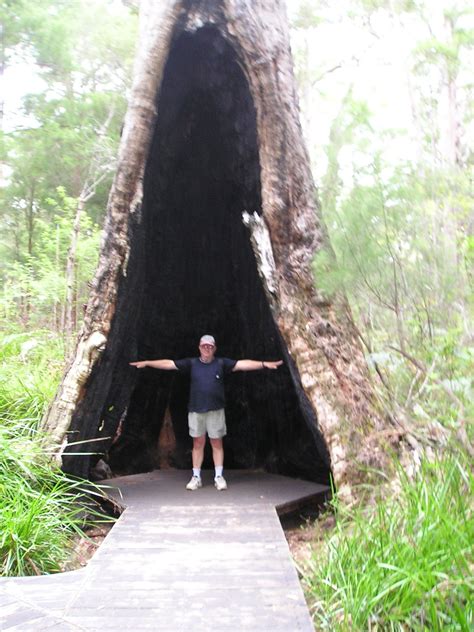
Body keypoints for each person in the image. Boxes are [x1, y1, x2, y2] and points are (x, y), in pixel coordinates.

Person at [130, 334, 282, 491]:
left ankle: (218, 476)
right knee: (198, 443)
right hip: (196, 411)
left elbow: (243, 364)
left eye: (210, 346)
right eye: (204, 346)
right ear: (199, 348)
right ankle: (196, 477)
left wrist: (264, 364)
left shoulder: (221, 363)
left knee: (216, 443)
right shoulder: (192, 363)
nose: (207, 349)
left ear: (214, 348)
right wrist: (148, 363)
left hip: (216, 411)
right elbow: (169, 363)